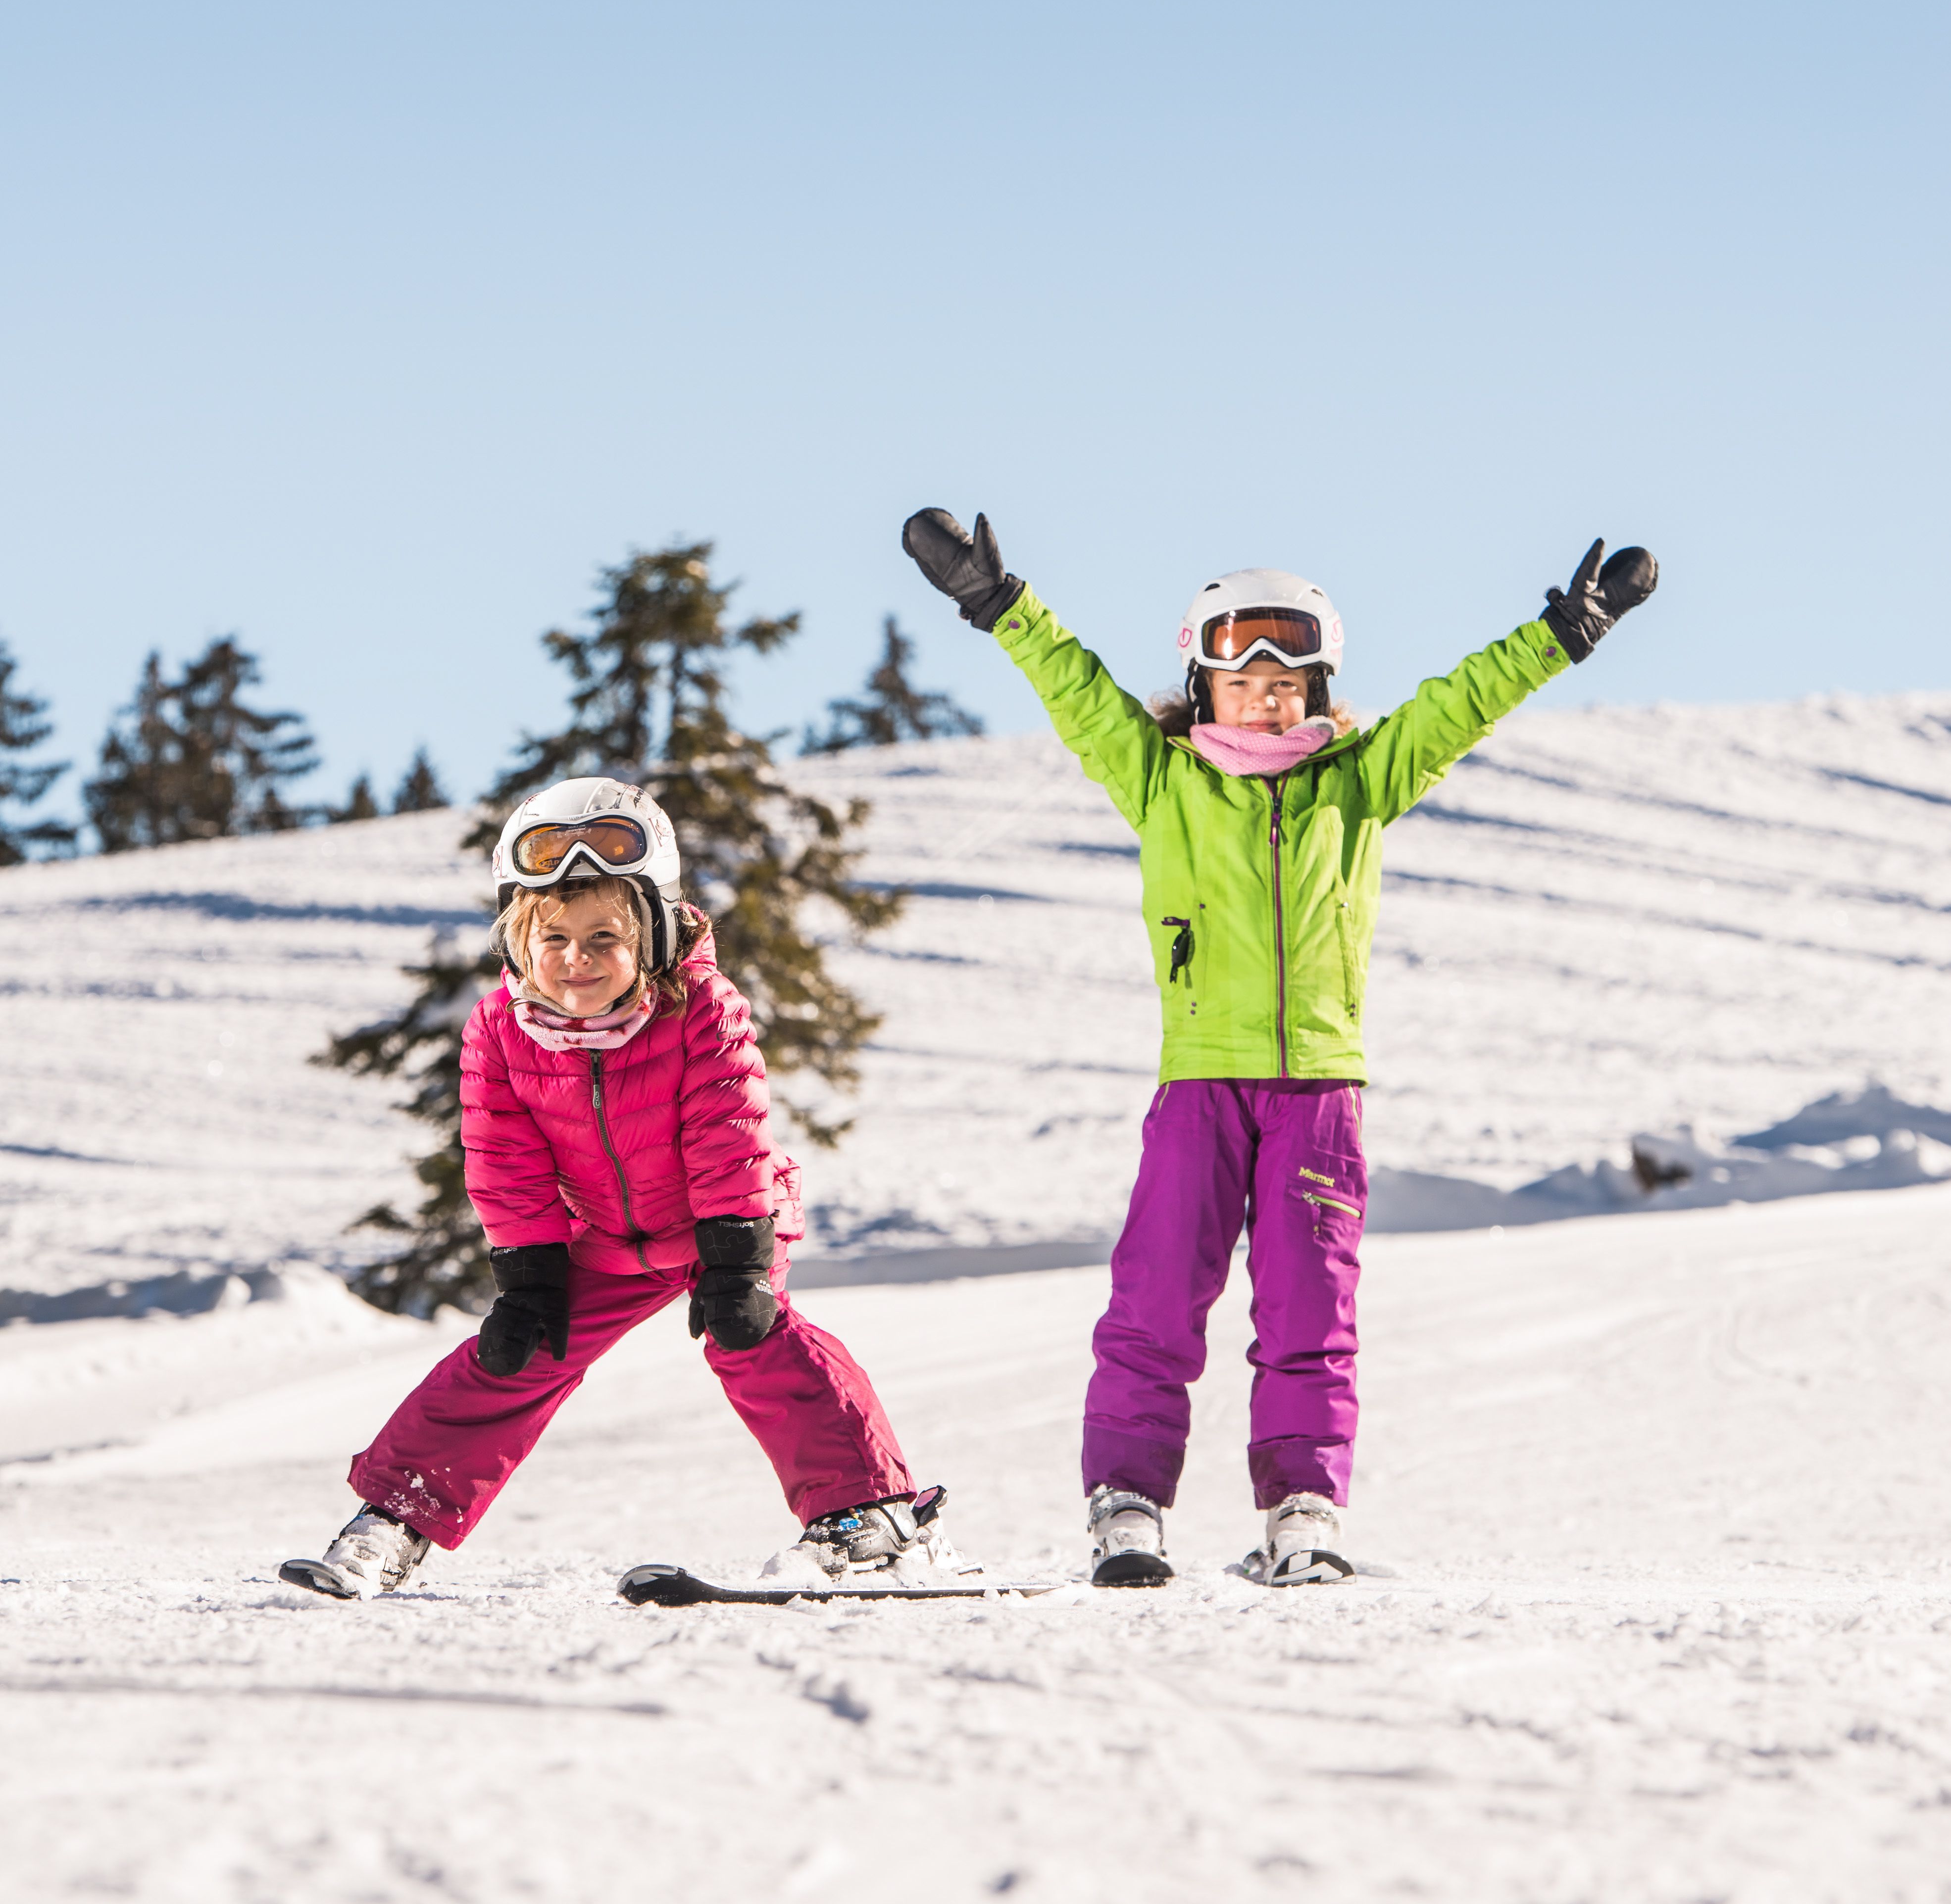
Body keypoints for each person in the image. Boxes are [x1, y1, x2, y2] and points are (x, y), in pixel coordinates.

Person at [901, 511, 1657, 1590]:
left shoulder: (1358, 780)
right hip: (1201, 1082)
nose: (1266, 690)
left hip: (1320, 1091)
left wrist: (1563, 632)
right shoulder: (1161, 780)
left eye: (1289, 675)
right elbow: (1074, 689)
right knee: (1157, 1300)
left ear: (1316, 684)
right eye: (1242, 671)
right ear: (1204, 682)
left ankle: (1302, 1508)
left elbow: (1458, 705)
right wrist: (997, 600)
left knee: (1311, 1308)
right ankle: (1128, 1504)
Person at [282, 777, 942, 1599]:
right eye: (552, 936)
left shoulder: (699, 1006)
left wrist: (737, 1259)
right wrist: (528, 1275)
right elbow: (504, 1155)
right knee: (513, 1356)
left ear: (655, 934)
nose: (576, 958)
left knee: (756, 1341)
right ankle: (394, 1520)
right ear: (516, 940)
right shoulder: (498, 1029)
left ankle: (870, 1517)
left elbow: (728, 1128)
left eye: (604, 936)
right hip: (601, 1236)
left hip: (720, 1221)